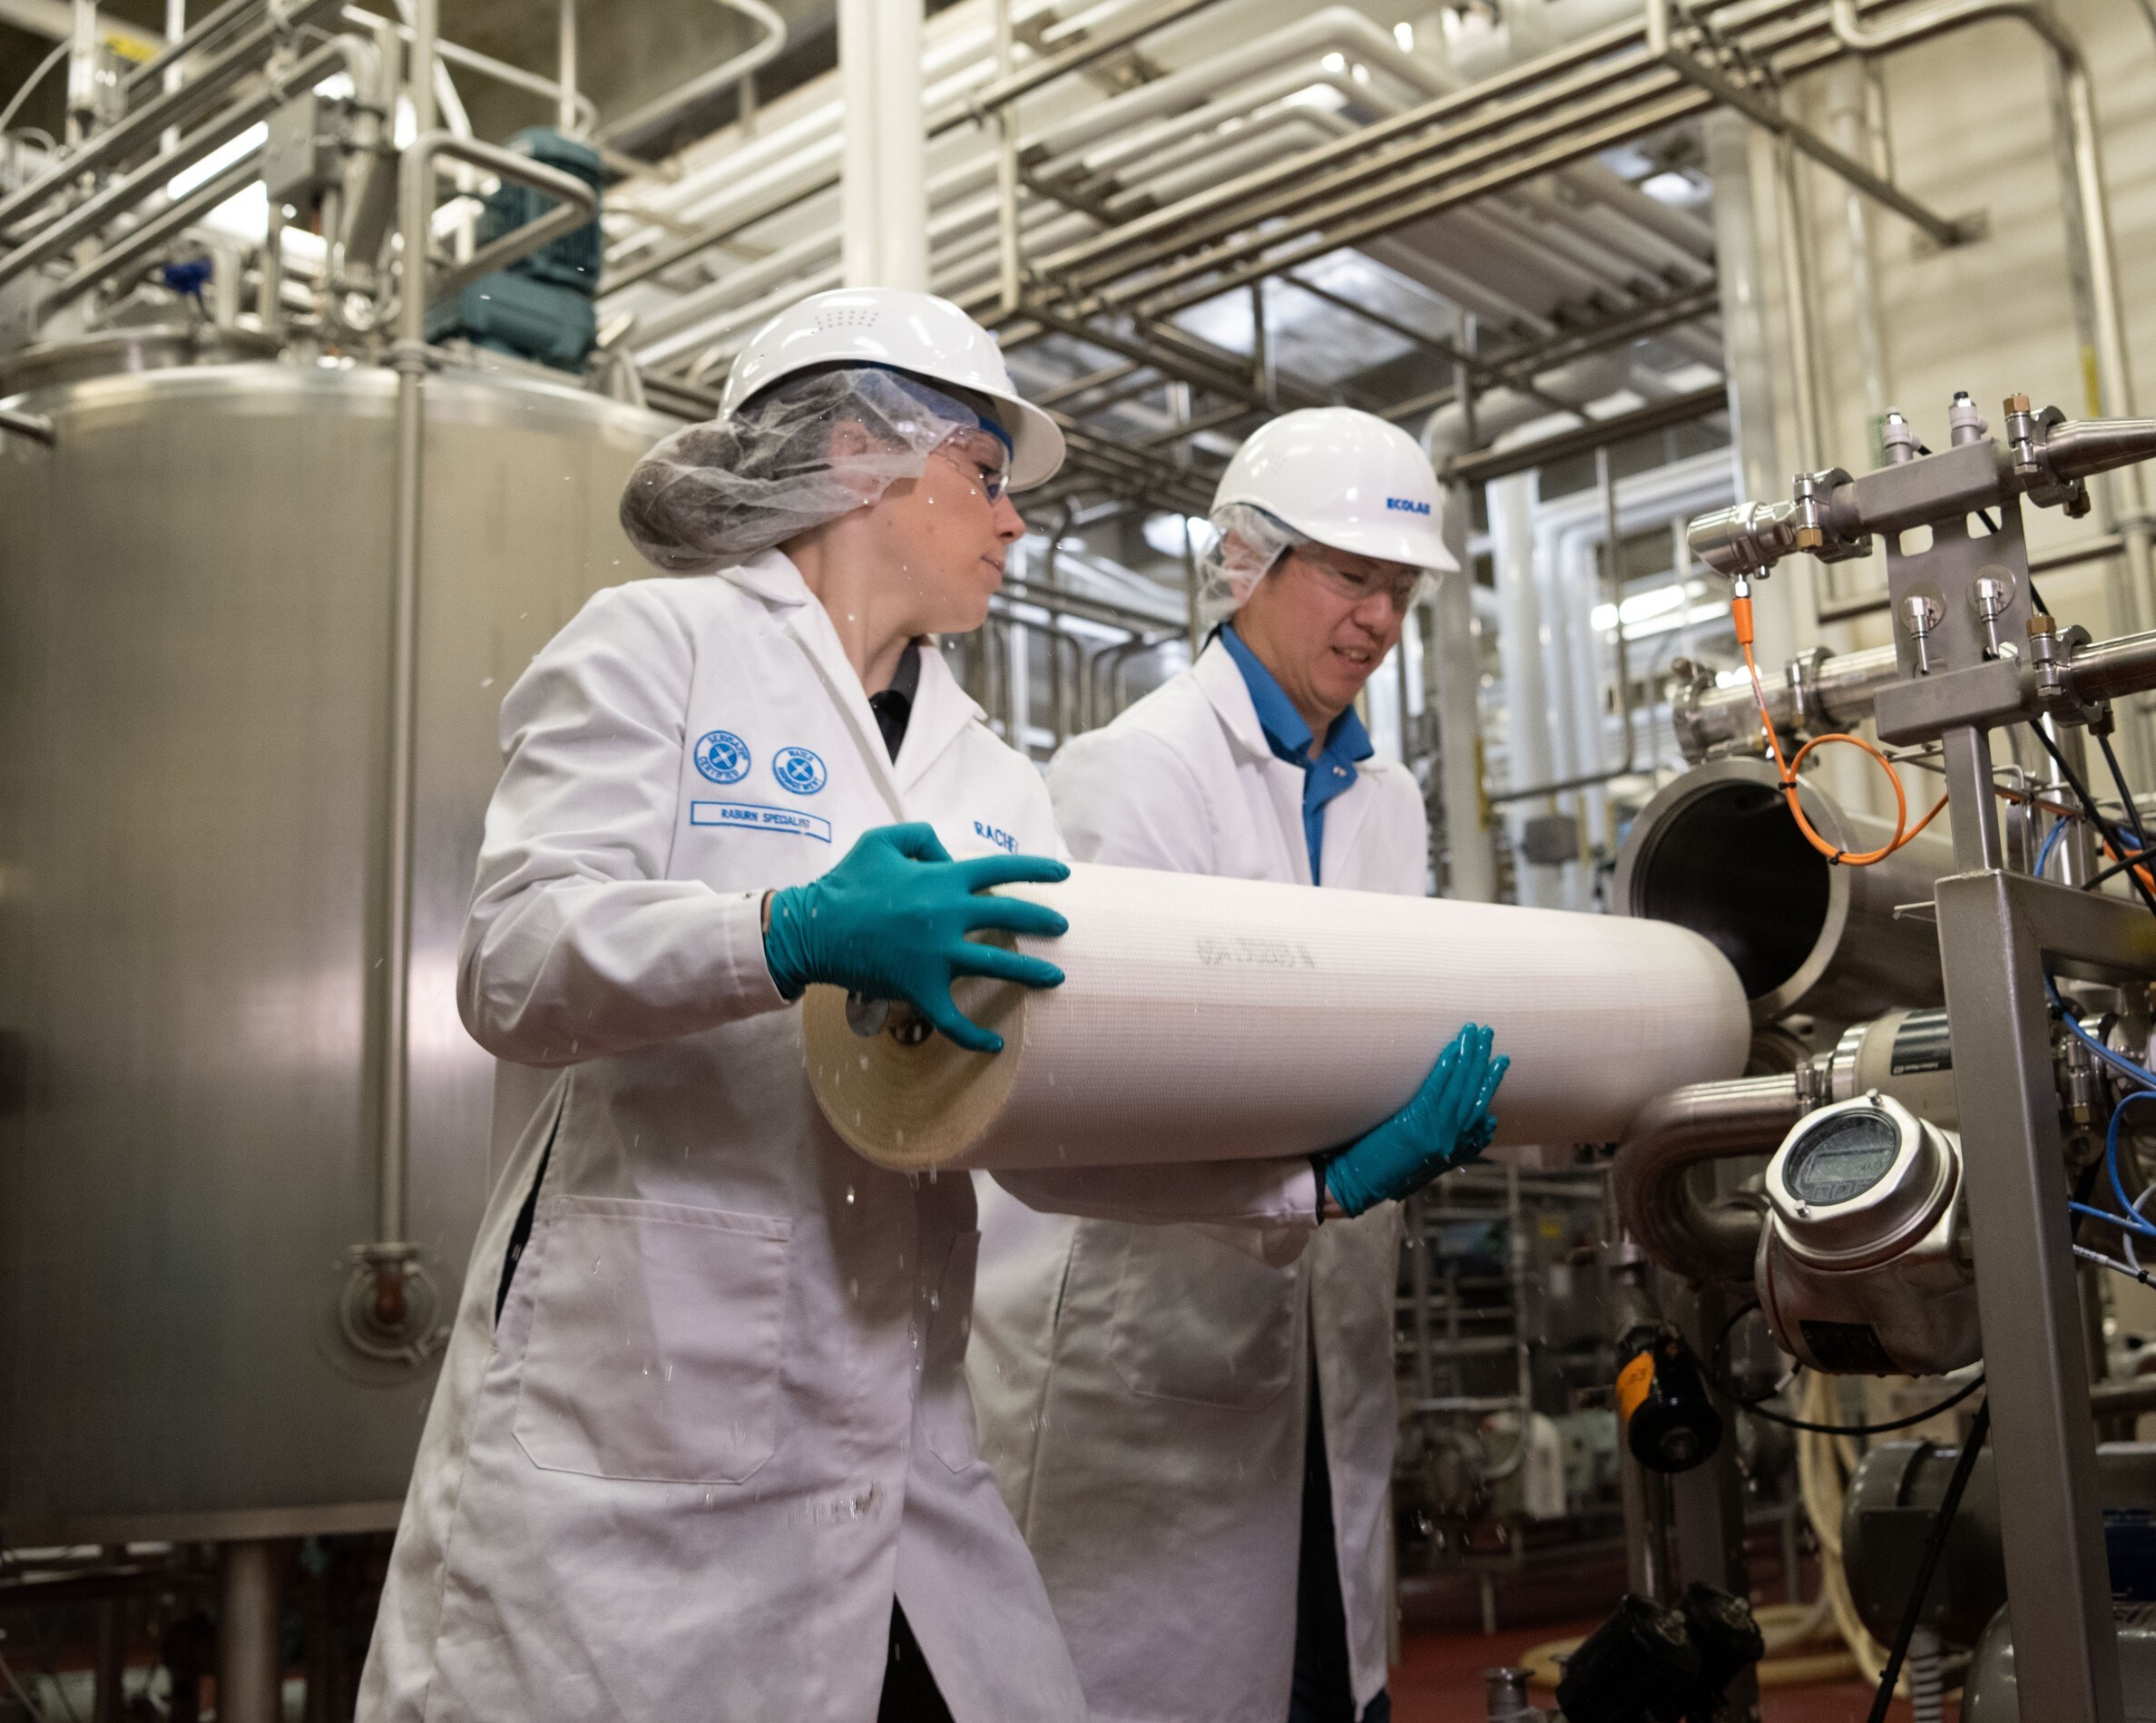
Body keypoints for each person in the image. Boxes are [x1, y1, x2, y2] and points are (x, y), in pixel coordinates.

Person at [355, 295, 1504, 1723]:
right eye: (986, 474)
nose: (1015, 526)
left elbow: (1035, 1142)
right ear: (858, 455)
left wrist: (1304, 1187)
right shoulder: (658, 647)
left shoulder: (993, 784)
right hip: (644, 1393)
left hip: (898, 1433)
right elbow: (512, 964)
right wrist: (784, 934)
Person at [971, 407, 1475, 1723]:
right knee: (1157, 1680)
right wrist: (1315, 1165)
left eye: (1400, 591)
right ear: (1245, 565)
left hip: (1322, 1333)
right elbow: (1105, 1092)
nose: (1376, 620)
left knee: (1325, 1669)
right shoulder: (1133, 775)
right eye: (1351, 578)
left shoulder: (1390, 797)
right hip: (1146, 1337)